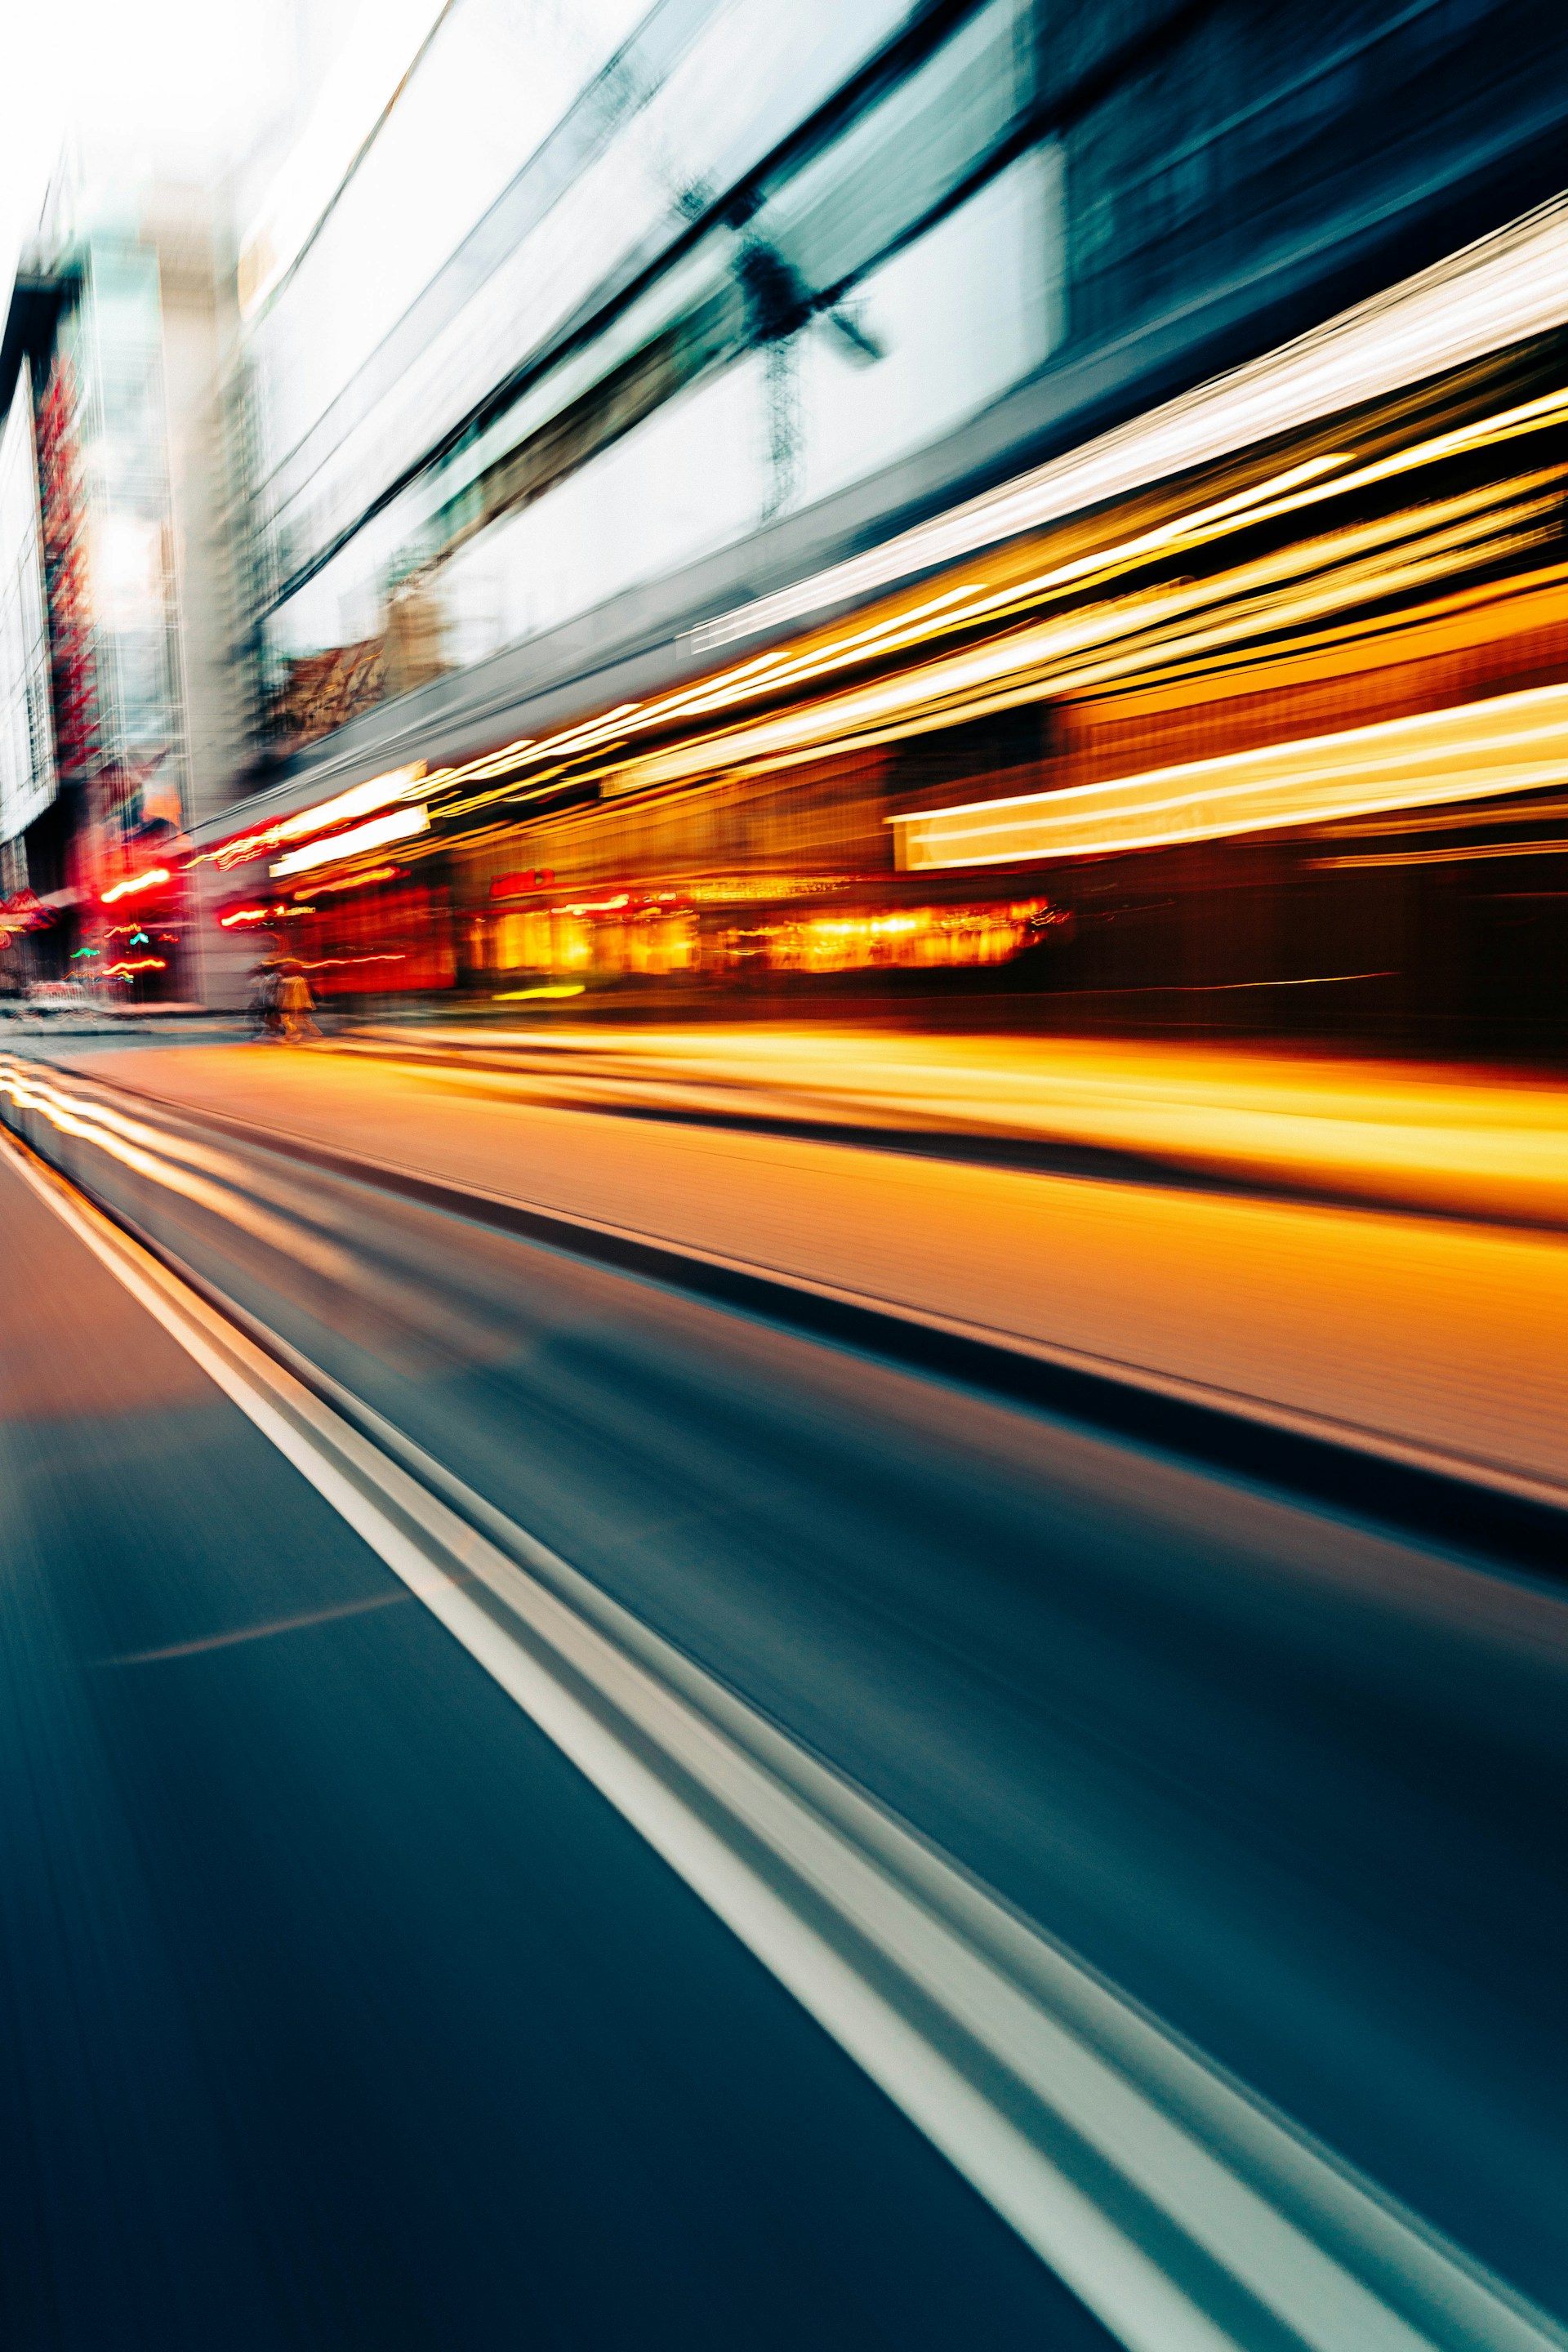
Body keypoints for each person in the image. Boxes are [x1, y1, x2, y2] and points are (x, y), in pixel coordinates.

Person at [275, 960, 319, 1044]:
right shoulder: (294, 980)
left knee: (296, 1020)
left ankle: (291, 1036)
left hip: (295, 1005)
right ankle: (289, 1036)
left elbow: (300, 994)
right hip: (295, 1004)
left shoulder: (293, 980)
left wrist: (301, 1005)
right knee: (298, 1020)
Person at [246, 958, 281, 1040]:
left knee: (265, 1018)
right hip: (265, 1001)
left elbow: (273, 990)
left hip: (270, 1002)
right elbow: (263, 991)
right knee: (264, 1018)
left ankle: (278, 1030)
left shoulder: (275, 977)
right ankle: (274, 1031)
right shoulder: (268, 978)